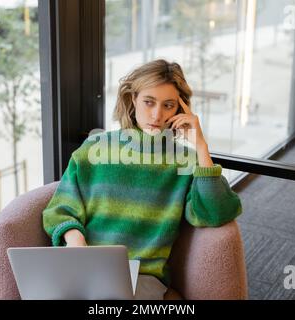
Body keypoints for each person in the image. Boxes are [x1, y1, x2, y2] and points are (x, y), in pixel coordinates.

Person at [42, 59, 242, 300]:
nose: (157, 115)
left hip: (143, 279)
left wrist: (201, 147)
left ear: (179, 111)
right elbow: (59, 209)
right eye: (149, 102)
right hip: (83, 269)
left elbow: (216, 212)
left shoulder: (185, 162)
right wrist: (75, 238)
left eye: (168, 105)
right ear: (132, 99)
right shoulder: (95, 148)